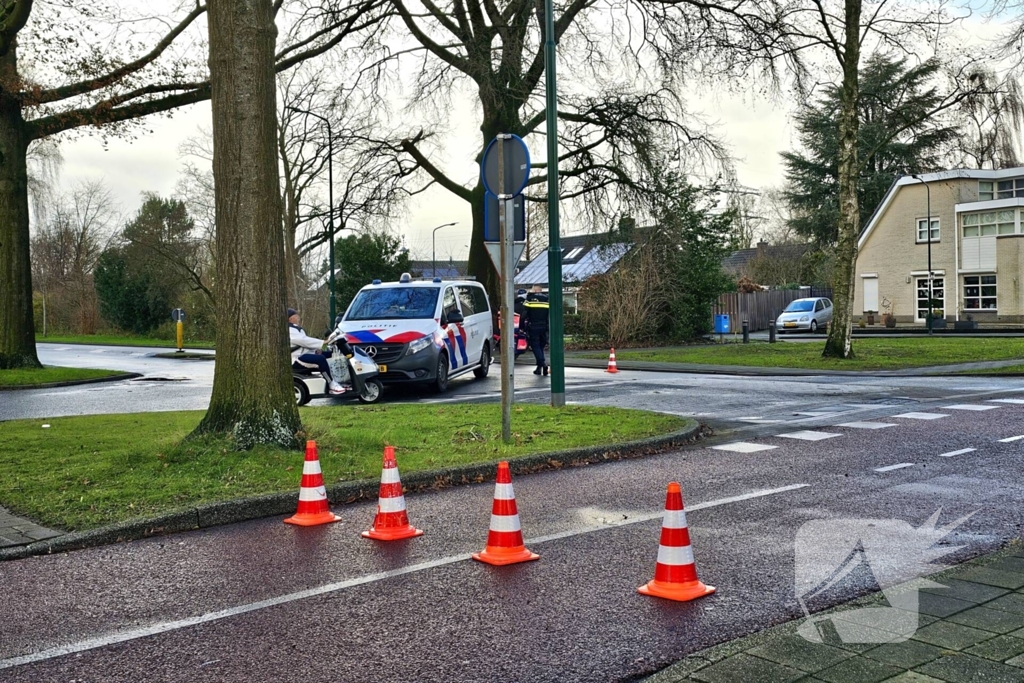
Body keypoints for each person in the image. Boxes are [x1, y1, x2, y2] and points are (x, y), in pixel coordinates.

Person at [288, 308, 344, 394]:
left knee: (331, 354)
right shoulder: (289, 330)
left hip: (303, 354)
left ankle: (341, 379)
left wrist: (316, 349)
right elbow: (303, 341)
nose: (298, 317)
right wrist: (324, 342)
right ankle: (331, 383)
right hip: (297, 359)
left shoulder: (295, 328)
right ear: (290, 318)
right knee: (320, 359)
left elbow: (303, 343)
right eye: (296, 316)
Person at [522, 285, 550, 376]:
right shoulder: (547, 299)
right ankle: (539, 368)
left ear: (534, 290)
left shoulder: (529, 299)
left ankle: (543, 364)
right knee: (540, 347)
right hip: (544, 327)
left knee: (535, 346)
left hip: (533, 326)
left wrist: (522, 327)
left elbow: (524, 314)